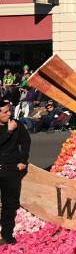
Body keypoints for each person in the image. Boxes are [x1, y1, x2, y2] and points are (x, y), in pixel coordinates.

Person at [0, 99, 30, 245]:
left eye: (9, 110)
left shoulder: (16, 124)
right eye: (5, 112)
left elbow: (26, 141)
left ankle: (6, 234)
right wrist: (8, 131)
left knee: (10, 204)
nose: (9, 114)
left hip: (11, 169)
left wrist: (23, 160)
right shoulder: (10, 127)